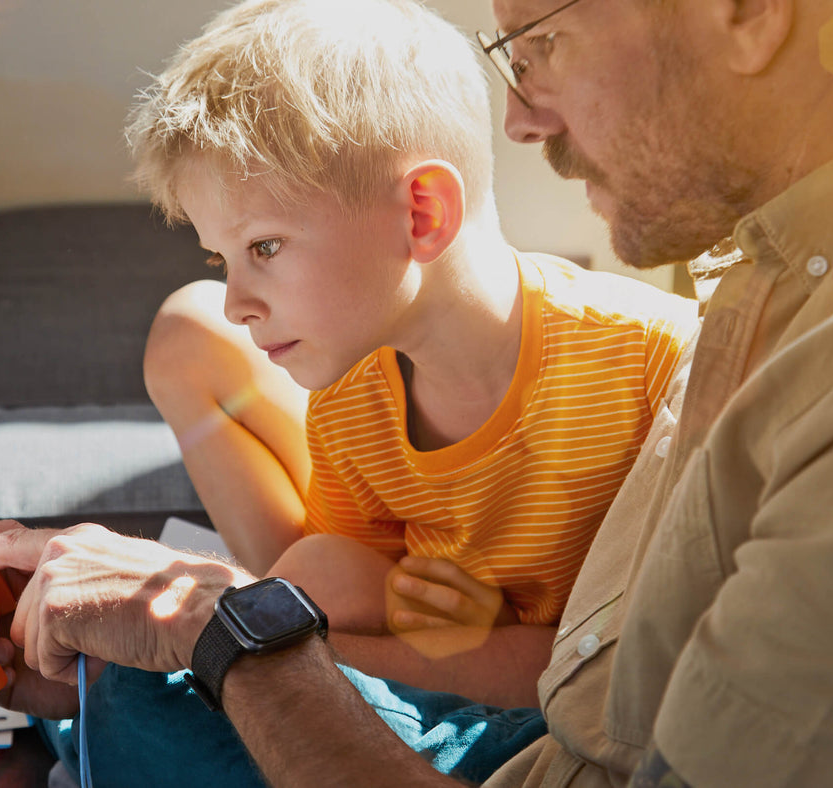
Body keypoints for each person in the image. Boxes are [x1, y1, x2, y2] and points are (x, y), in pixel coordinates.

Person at [0, 0, 833, 786]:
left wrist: (223, 636)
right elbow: (403, 617)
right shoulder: (783, 267)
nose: (525, 119)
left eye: (536, 39)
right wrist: (180, 618)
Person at [132, 0, 695, 703]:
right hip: (475, 660)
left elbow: (644, 667)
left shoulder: (658, 361)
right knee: (322, 572)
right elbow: (363, 600)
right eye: (224, 259)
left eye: (265, 247)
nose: (238, 302)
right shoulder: (348, 402)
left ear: (423, 214)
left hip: (590, 687)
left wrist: (248, 654)